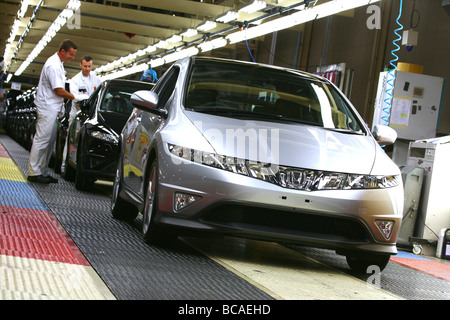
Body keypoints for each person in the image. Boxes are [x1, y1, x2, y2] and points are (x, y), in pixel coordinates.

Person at [27, 39, 78, 183]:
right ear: (63, 51)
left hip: (53, 108)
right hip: (47, 107)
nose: (72, 58)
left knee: (49, 142)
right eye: (70, 54)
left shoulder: (59, 64)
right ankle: (34, 172)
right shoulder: (53, 65)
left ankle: (42, 171)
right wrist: (75, 97)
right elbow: (58, 90)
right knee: (42, 140)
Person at [61, 55, 101, 173]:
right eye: (85, 66)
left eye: (89, 66)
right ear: (80, 65)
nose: (87, 69)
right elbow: (75, 97)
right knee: (71, 138)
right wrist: (87, 98)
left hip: (92, 114)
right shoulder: (75, 81)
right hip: (76, 113)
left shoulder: (97, 80)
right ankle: (64, 165)